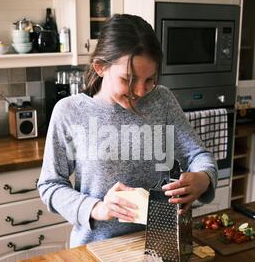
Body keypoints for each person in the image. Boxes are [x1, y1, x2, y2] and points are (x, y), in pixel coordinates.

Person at [38, 14, 218, 248]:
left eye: (150, 79)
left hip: (159, 242)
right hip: (95, 248)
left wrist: (203, 178)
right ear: (100, 67)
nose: (141, 91)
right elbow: (50, 185)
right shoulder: (70, 112)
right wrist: (98, 208)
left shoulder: (161, 100)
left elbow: (198, 155)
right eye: (129, 79)